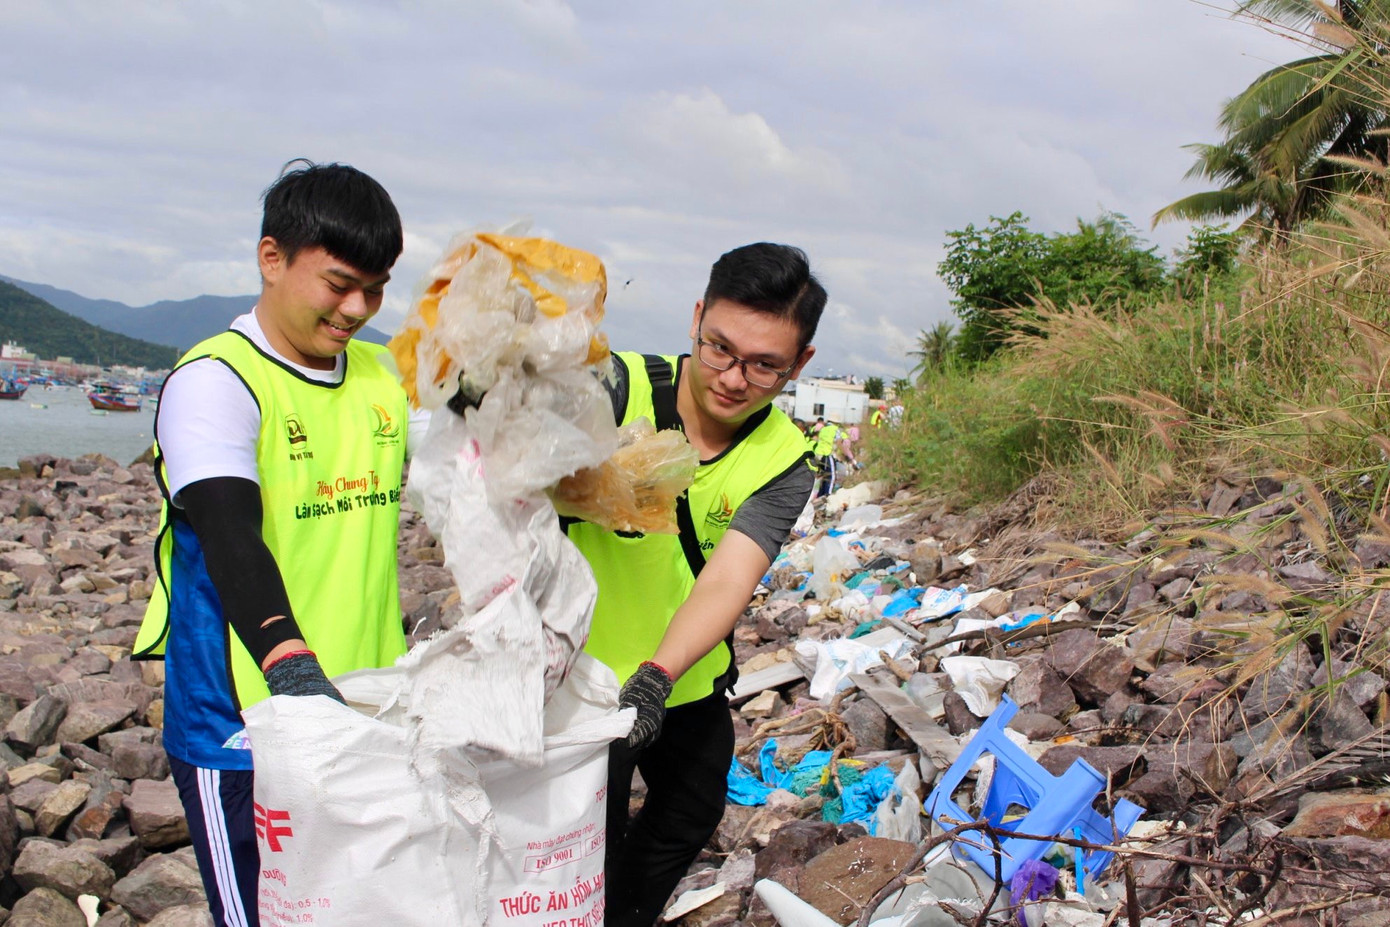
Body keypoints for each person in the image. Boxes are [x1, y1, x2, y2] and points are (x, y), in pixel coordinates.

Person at [134, 160, 423, 927]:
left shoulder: (383, 374)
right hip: (247, 717)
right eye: (338, 282)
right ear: (272, 258)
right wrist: (288, 661)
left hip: (367, 700)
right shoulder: (216, 380)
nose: (358, 307)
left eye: (377, 286)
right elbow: (231, 537)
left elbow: (471, 467)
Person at [565, 243, 825, 927]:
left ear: (800, 364)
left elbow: (727, 579)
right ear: (696, 319)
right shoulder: (617, 386)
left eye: (764, 365)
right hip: (582, 682)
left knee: (690, 809)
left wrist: (657, 674)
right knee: (580, 843)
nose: (734, 378)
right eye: (720, 349)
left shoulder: (786, 460)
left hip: (679, 675)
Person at [809, 414, 841, 497]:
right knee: (831, 476)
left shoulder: (823, 429)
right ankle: (828, 495)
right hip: (828, 454)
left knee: (823, 476)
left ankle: (820, 494)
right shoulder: (835, 430)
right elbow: (839, 442)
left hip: (819, 455)